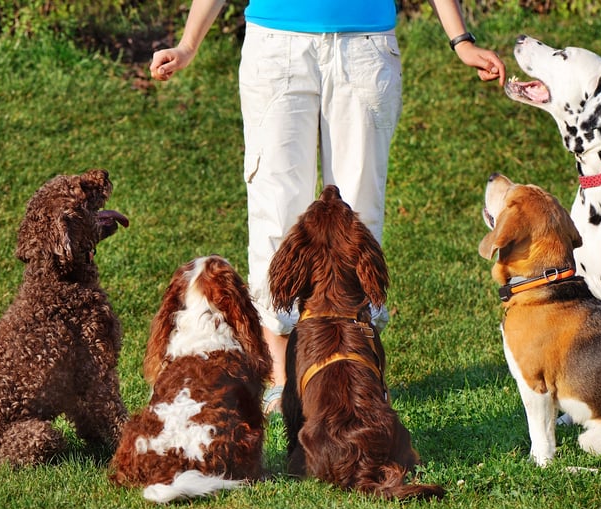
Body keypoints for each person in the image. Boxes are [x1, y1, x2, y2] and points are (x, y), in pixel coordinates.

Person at [150, 0, 506, 413]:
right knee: (276, 209)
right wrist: (188, 44)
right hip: (277, 44)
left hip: (364, 46)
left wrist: (461, 40)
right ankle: (282, 378)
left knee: (358, 216)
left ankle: (359, 364)